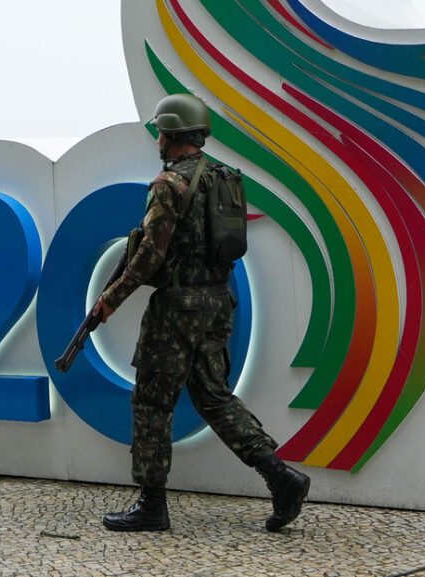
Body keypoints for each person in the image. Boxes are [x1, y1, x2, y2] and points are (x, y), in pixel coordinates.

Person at [92, 93, 310, 533]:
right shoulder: (223, 178)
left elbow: (150, 255)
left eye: (160, 132)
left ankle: (151, 507)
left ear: (171, 135)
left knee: (153, 401)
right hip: (216, 302)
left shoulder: (168, 185)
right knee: (213, 395)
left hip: (177, 308)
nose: (158, 139)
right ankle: (281, 476)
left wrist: (111, 297)